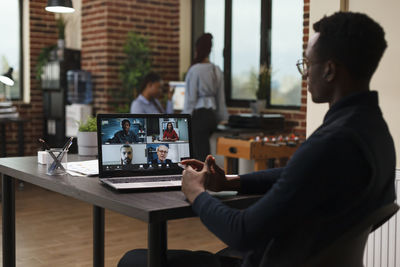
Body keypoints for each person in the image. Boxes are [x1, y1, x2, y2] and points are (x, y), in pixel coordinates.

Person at [118, 12, 396, 267]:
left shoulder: (333, 142)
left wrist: (197, 194)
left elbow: (242, 232)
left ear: (329, 70)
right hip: (295, 255)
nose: (305, 73)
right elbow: (294, 174)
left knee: (133, 261)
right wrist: (231, 181)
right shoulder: (373, 132)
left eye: (308, 64)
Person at [182, 33, 229, 161]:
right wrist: (223, 117)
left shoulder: (194, 70)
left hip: (199, 117)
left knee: (199, 156)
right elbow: (221, 98)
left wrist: (184, 119)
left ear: (198, 49)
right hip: (211, 117)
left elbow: (190, 100)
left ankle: (202, 179)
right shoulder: (216, 69)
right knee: (206, 153)